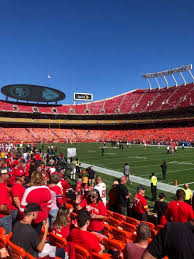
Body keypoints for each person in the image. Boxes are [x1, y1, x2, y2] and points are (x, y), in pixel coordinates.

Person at [0, 167, 12, 234]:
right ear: (2, 175)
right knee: (5, 240)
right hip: (3, 217)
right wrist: (9, 212)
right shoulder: (2, 188)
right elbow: (2, 207)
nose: (8, 176)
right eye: (7, 174)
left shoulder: (3, 186)